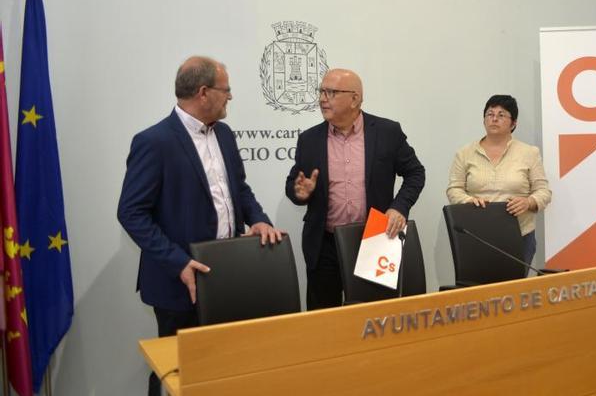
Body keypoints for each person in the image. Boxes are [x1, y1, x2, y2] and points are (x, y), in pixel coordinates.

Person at [117, 56, 284, 396]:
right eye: (227, 90)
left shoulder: (224, 134)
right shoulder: (154, 141)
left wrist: (260, 220)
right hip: (179, 281)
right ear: (204, 92)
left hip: (226, 275)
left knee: (221, 370)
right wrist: (178, 262)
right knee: (175, 372)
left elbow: (240, 190)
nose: (231, 97)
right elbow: (131, 212)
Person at [285, 68, 425, 310]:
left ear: (355, 99)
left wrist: (399, 207)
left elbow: (415, 173)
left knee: (376, 316)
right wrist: (300, 193)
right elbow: (293, 185)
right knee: (324, 320)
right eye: (321, 91)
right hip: (324, 244)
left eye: (331, 92)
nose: (322, 98)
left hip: (376, 238)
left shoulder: (387, 132)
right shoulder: (309, 139)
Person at [446, 94, 551, 268]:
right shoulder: (464, 153)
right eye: (490, 114)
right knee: (479, 290)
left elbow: (543, 191)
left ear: (513, 123)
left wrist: (529, 202)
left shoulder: (529, 153)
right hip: (476, 233)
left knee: (513, 291)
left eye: (501, 115)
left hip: (520, 234)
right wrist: (468, 200)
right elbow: (454, 189)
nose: (494, 119)